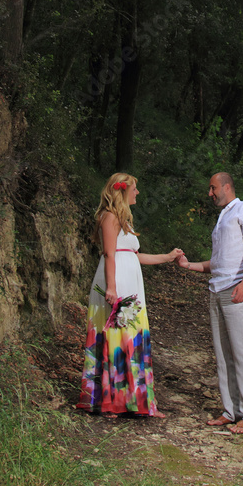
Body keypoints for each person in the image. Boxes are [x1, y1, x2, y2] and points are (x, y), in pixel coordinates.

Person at [77, 172, 183, 418]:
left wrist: (167, 257)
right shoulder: (110, 216)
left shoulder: (124, 220)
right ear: (123, 191)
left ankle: (133, 399)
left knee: (130, 335)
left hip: (129, 280)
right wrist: (112, 287)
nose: (137, 193)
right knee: (117, 334)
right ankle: (111, 400)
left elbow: (135, 256)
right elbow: (109, 254)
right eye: (134, 188)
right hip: (117, 280)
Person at [178, 172, 243, 434]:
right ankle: (231, 411)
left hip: (236, 289)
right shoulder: (222, 218)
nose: (210, 193)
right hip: (217, 289)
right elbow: (218, 263)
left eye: (213, 188)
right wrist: (188, 265)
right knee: (224, 354)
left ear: (226, 187)